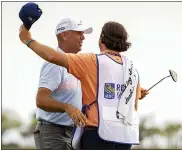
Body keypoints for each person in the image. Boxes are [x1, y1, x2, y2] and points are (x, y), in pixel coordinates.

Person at [19, 21, 148, 150]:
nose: (83, 37)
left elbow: (52, 56)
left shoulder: (92, 61)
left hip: (98, 136)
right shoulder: (132, 70)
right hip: (124, 138)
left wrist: (28, 40)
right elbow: (132, 106)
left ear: (102, 38)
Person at [33, 18, 93, 150]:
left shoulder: (76, 64)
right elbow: (41, 100)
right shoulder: (53, 64)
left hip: (73, 133)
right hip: (53, 132)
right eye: (78, 33)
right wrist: (68, 107)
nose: (83, 37)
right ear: (64, 35)